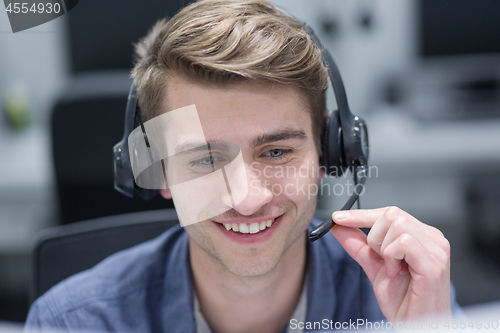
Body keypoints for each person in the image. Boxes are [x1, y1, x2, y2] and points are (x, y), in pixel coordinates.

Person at [25, 0, 462, 332]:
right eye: (206, 159)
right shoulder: (74, 322)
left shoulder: (402, 302)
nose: (248, 199)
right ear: (158, 171)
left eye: (276, 153)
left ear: (330, 154)